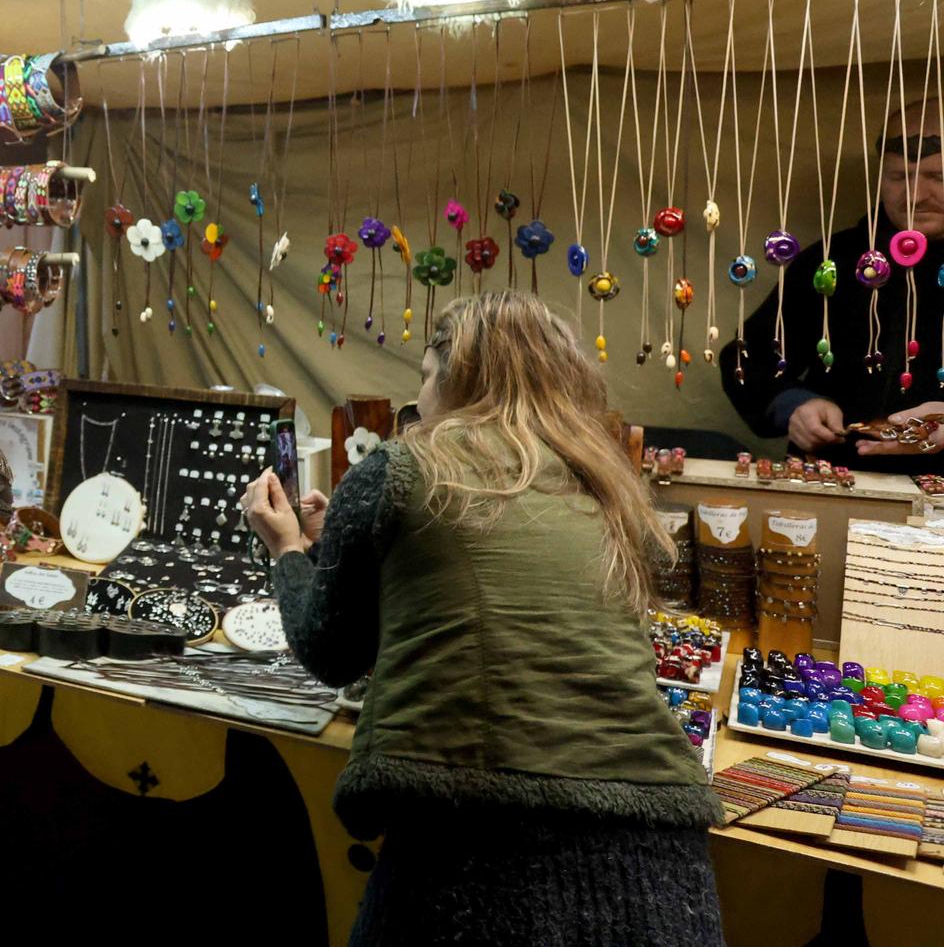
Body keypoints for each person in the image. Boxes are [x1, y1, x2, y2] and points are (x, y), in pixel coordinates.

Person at [244, 291, 720, 947]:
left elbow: (330, 650)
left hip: (479, 849)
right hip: (660, 865)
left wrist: (290, 549)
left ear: (456, 373)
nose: (419, 398)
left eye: (425, 375)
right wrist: (346, 541)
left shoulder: (402, 464)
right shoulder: (606, 484)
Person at [723, 102, 944, 470]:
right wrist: (793, 404)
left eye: (938, 176)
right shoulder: (832, 261)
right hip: (834, 481)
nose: (916, 194)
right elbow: (748, 357)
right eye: (898, 177)